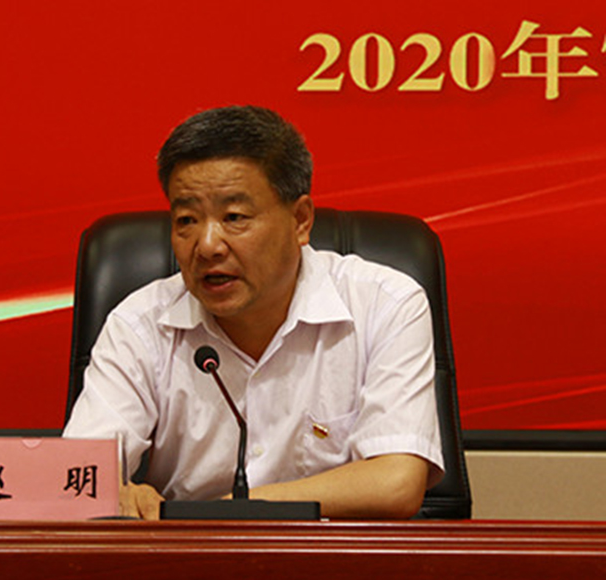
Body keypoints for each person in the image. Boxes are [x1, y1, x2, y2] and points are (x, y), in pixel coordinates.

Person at [63, 105, 444, 519]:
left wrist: (229, 512)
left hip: (332, 556)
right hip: (188, 556)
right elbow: (75, 477)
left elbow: (396, 483)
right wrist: (115, 496)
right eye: (187, 220)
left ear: (300, 221)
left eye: (234, 217)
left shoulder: (385, 304)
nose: (208, 245)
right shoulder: (139, 325)